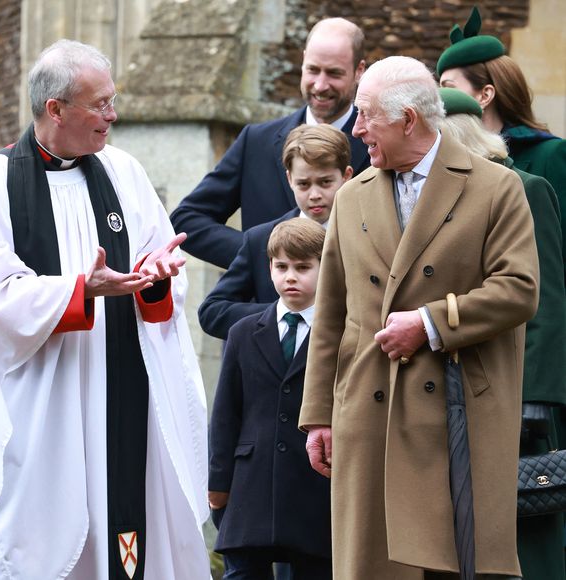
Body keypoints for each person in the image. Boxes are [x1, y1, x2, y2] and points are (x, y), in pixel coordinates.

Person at [298, 55, 539, 579]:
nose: (356, 128)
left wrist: (429, 325)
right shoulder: (352, 197)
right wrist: (318, 413)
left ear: (408, 119)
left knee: (455, 564)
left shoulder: (497, 188)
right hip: (369, 412)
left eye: (366, 115)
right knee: (374, 566)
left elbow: (519, 289)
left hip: (455, 412)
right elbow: (332, 317)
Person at [0, 39, 210, 580]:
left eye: (113, 100)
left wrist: (153, 280)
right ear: (55, 109)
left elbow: (159, 268)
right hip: (45, 397)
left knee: (131, 529)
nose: (113, 115)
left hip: (124, 385)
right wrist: (81, 291)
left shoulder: (124, 172)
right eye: (99, 104)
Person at [439, 86, 566, 580]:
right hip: (455, 388)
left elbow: (546, 300)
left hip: (517, 395)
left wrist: (531, 400)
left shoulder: (524, 187)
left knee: (524, 522)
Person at [170, 17, 368, 269]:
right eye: (313, 70)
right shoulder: (255, 142)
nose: (320, 85)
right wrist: (262, 254)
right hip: (264, 307)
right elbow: (186, 220)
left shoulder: (378, 146)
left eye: (334, 73)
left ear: (359, 70)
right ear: (303, 59)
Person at [208, 218, 332, 579]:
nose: (290, 277)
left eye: (303, 267)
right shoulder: (243, 332)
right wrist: (218, 484)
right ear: (269, 269)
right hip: (251, 488)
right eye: (281, 267)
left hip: (315, 491)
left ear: (329, 269)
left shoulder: (339, 335)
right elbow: (225, 414)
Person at [436, 6, 566, 280]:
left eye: (449, 87)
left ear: (485, 95)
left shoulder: (550, 154)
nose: (440, 101)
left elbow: (556, 257)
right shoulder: (443, 159)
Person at [198, 123, 353, 339]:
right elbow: (213, 312)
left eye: (325, 182)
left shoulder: (366, 234)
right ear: (289, 179)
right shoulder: (261, 239)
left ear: (346, 176)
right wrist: (281, 315)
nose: (315, 194)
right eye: (303, 184)